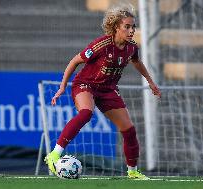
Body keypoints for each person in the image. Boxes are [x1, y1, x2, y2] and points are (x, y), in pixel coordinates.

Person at [44, 4, 161, 179]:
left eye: (133, 27)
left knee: (128, 130)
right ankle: (54, 155)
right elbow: (75, 61)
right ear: (116, 27)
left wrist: (150, 81)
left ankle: (133, 171)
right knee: (86, 113)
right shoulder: (102, 45)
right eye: (127, 27)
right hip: (85, 84)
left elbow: (136, 62)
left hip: (108, 90)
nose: (131, 31)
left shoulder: (131, 47)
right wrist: (62, 86)